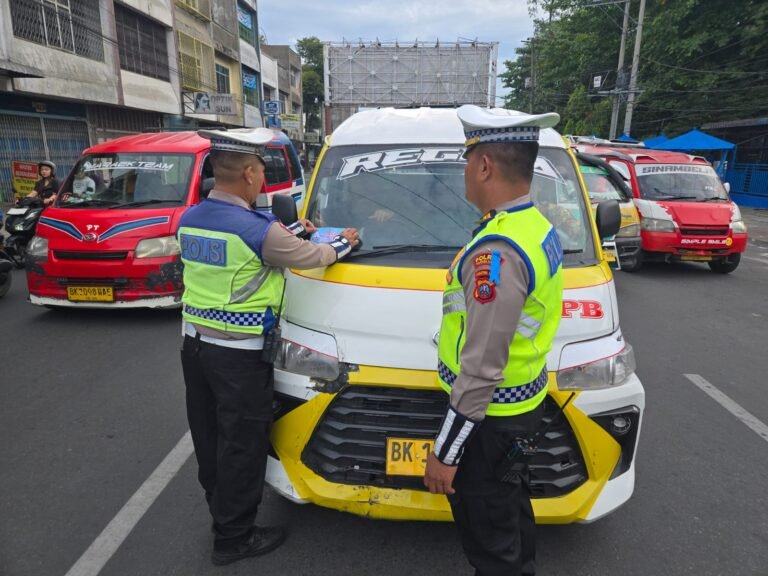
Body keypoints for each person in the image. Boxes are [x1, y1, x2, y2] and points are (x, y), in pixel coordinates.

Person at [178, 128, 359, 567]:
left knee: (210, 438)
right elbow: (312, 257)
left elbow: (261, 247)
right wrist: (344, 242)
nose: (262, 179)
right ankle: (235, 537)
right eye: (260, 170)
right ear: (247, 174)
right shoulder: (257, 230)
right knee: (242, 443)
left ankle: (219, 511)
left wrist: (293, 230)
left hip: (195, 348)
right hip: (238, 357)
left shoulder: (192, 219)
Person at [424, 106, 565, 576]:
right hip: (520, 406)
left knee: (490, 541)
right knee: (509, 514)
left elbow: (482, 367)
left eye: (467, 162)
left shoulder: (497, 253)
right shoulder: (534, 227)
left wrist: (445, 454)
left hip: (490, 421)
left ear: (483, 166)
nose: (465, 173)